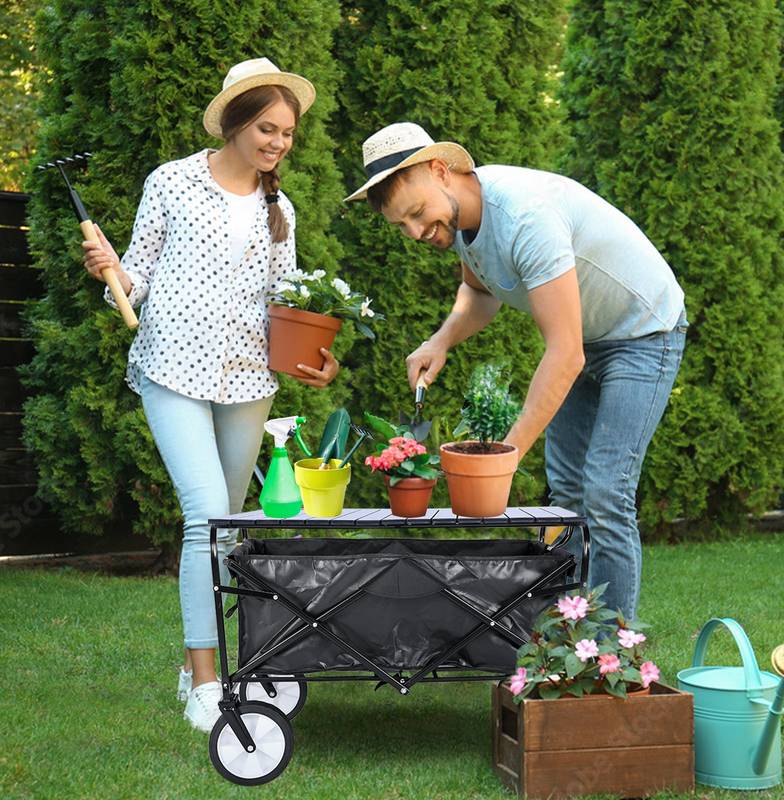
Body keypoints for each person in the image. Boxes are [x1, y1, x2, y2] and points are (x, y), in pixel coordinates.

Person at [82, 58, 339, 732]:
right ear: (235, 123)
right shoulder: (170, 182)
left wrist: (317, 357)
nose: (279, 142)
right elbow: (132, 276)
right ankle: (205, 682)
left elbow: (290, 301)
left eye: (287, 132)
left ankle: (208, 658)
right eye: (267, 128)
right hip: (171, 367)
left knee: (229, 530)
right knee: (204, 517)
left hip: (249, 378)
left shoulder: (278, 207)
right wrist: (109, 272)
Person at [346, 122, 686, 621]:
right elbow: (480, 294)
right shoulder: (464, 223)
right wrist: (440, 341)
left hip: (644, 333)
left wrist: (505, 456)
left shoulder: (525, 216)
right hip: (591, 339)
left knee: (605, 492)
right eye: (402, 226)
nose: (416, 233)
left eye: (417, 214)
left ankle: (615, 651)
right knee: (566, 493)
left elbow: (565, 353)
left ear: (441, 171)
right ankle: (573, 632)